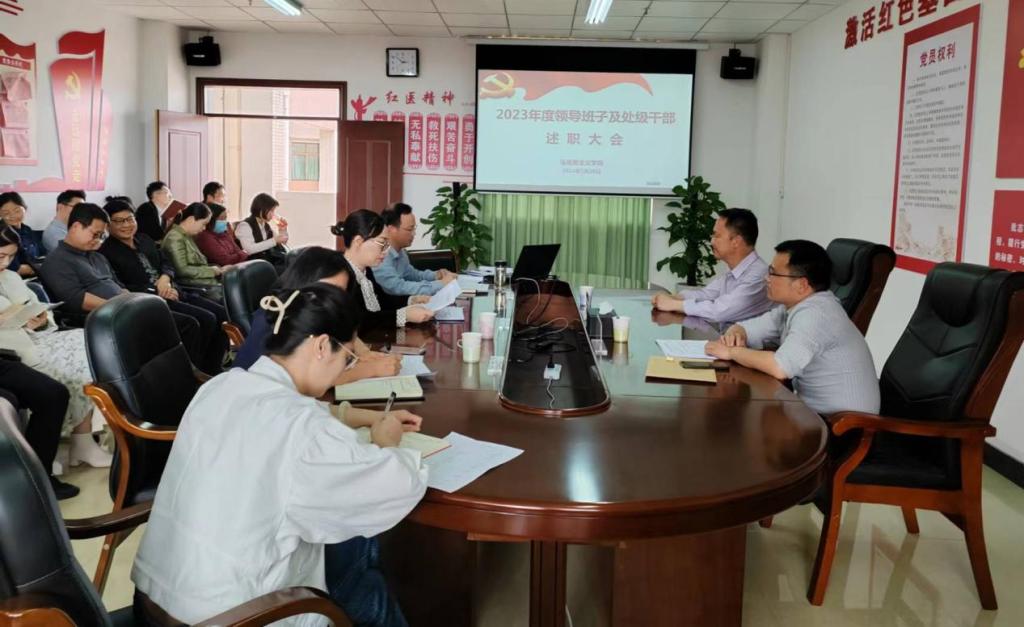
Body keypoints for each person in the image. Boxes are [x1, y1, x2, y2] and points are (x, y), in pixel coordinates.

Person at [132, 282, 427, 627]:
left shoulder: (221, 386)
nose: (344, 370)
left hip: (156, 600)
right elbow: (396, 485)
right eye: (348, 359)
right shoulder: (304, 429)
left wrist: (364, 420)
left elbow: (290, 422)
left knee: (353, 546)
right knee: (364, 566)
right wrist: (387, 442)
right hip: (236, 617)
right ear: (321, 346)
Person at [704, 239, 880, 416]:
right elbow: (746, 328)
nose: (766, 278)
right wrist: (736, 333)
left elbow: (781, 367)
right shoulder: (796, 307)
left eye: (773, 273)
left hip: (843, 424)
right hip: (813, 414)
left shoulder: (816, 314)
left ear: (802, 285)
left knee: (739, 415)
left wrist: (732, 352)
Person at [38, 203, 208, 371]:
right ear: (76, 227)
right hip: (105, 317)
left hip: (124, 307)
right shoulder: (57, 261)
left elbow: (119, 285)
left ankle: (187, 372)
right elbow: (76, 299)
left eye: (101, 236)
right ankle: (181, 375)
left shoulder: (97, 257)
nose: (98, 240)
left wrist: (134, 300)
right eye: (95, 234)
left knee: (187, 321)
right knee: (185, 325)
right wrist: (123, 306)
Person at [0, 223, 113, 471]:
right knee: (76, 362)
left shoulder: (11, 277)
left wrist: (41, 318)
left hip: (35, 337)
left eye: (10, 256)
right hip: (10, 348)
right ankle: (80, 441)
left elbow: (35, 306)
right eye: (1, 256)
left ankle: (83, 439)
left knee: (89, 345)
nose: (6, 263)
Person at [234, 246, 402, 384]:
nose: (331, 300)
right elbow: (302, 381)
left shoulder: (312, 310)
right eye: (326, 290)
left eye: (339, 293)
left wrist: (364, 353)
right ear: (305, 280)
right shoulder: (277, 316)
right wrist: (367, 370)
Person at [100, 198, 228, 375]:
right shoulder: (106, 252)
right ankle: (189, 373)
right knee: (200, 321)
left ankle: (212, 367)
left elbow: (166, 263)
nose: (126, 225)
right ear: (108, 225)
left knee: (221, 314)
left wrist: (165, 279)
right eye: (119, 221)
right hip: (151, 300)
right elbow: (122, 285)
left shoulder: (144, 239)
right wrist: (159, 290)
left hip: (173, 289)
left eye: (130, 219)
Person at [652, 208, 771, 324]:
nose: (711, 241)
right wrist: (674, 297)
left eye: (716, 236)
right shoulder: (734, 271)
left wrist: (673, 304)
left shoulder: (759, 276)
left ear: (736, 241)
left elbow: (720, 311)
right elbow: (706, 294)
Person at [333, 210, 434, 329]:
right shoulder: (339, 277)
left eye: (387, 245)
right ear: (358, 241)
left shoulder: (366, 270)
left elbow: (383, 300)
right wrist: (403, 316)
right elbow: (360, 321)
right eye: (382, 243)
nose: (386, 251)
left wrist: (412, 300)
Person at [374, 203, 457, 296]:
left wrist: (436, 275)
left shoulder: (400, 251)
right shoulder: (380, 254)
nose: (414, 233)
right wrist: (440, 284)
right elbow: (397, 287)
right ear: (391, 229)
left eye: (414, 228)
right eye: (409, 229)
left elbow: (412, 275)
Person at [162, 202, 230, 302]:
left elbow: (197, 264)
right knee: (234, 294)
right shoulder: (175, 237)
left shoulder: (187, 236)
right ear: (191, 219)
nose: (204, 228)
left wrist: (219, 269)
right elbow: (182, 270)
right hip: (195, 286)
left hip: (203, 282)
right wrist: (212, 271)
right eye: (204, 224)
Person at [236, 193, 288, 271]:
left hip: (268, 262)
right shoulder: (245, 226)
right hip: (254, 266)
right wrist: (274, 241)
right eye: (271, 210)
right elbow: (249, 250)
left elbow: (283, 241)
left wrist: (283, 229)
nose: (273, 214)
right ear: (261, 210)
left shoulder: (265, 225)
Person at [0, 191, 46, 277]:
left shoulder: (27, 230)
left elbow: (40, 253)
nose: (12, 215)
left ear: (25, 209)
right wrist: (40, 268)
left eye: (17, 211)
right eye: (6, 213)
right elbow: (15, 269)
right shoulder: (3, 235)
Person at [195, 202, 248, 267]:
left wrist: (240, 254)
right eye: (221, 218)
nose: (225, 222)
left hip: (238, 266)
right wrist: (242, 254)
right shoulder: (205, 237)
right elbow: (225, 261)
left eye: (225, 218)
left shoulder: (224, 232)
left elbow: (237, 250)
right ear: (210, 220)